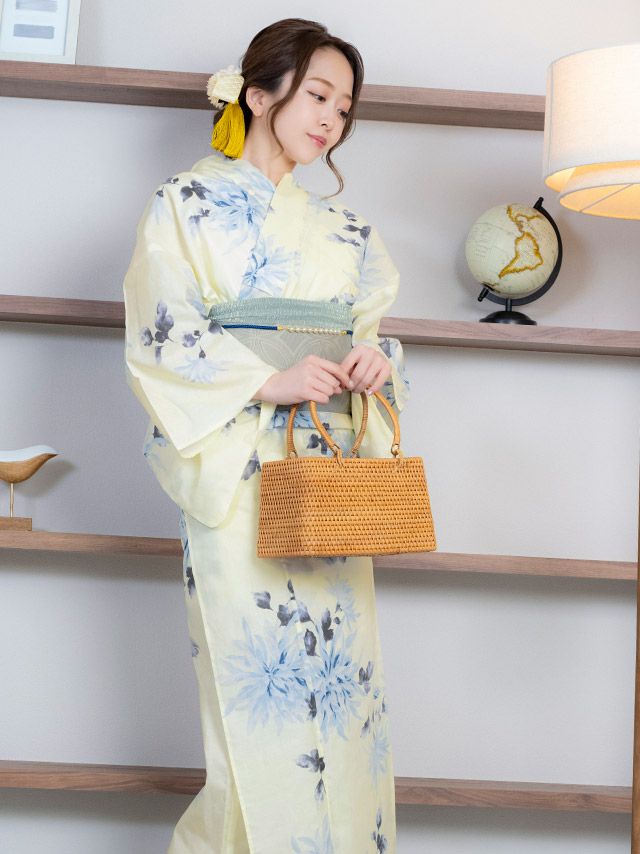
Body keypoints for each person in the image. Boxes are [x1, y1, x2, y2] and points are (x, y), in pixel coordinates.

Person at [122, 17, 410, 853]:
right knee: (257, 709)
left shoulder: (349, 232)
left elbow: (372, 337)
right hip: (241, 470)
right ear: (258, 94)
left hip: (330, 475)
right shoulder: (184, 203)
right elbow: (161, 331)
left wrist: (375, 363)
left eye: (344, 108)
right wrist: (265, 381)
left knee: (346, 699)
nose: (331, 119)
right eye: (317, 95)